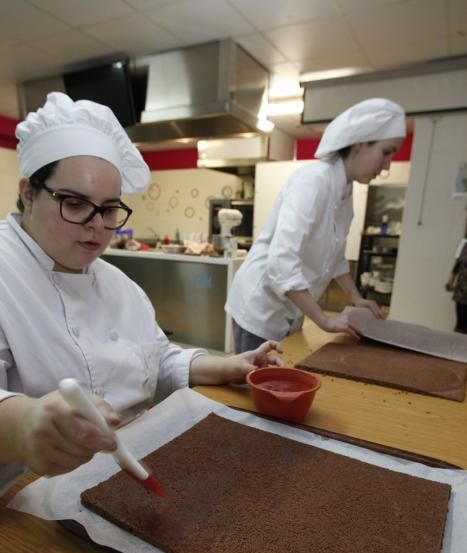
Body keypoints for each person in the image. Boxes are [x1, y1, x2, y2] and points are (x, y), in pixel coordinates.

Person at [0, 92, 282, 491]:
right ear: (29, 193)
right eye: (76, 204)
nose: (97, 225)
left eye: (110, 208)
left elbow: (155, 358)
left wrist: (227, 365)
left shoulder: (117, 283)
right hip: (28, 500)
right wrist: (24, 425)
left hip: (127, 469)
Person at [225, 98, 407, 352]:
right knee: (252, 383)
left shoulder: (345, 191)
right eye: (386, 152)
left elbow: (336, 254)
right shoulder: (312, 181)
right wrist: (323, 320)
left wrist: (355, 297)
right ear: (360, 144)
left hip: (290, 308)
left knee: (280, 376)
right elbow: (281, 261)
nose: (387, 165)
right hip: (261, 307)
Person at [445, 237, 467, 333]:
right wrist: (450, 281)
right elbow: (457, 265)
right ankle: (456, 346)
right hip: (461, 292)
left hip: (461, 291)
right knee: (461, 325)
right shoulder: (464, 243)